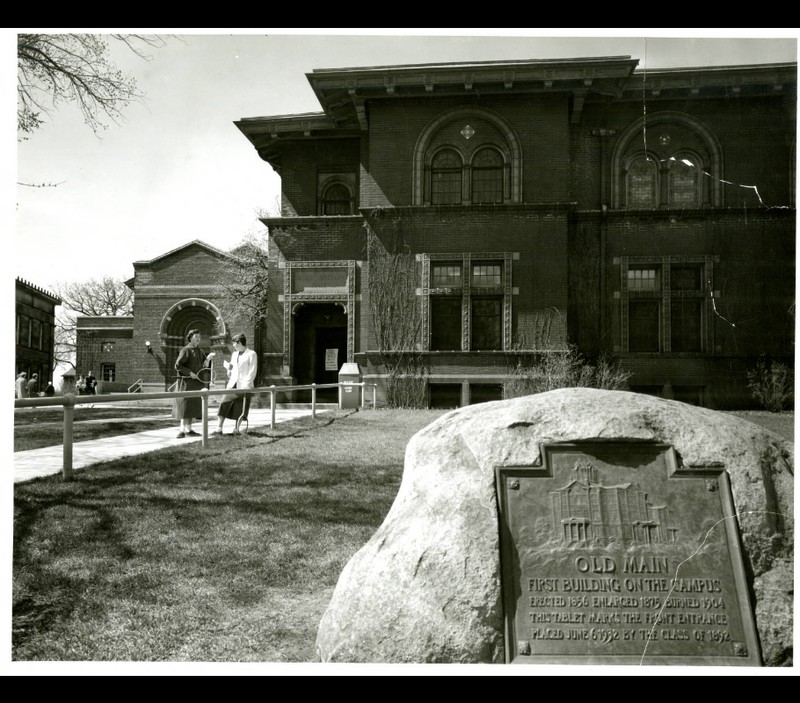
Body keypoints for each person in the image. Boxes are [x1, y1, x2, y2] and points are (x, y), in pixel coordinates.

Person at [214, 333, 258, 436]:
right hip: (232, 384)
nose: (233, 345)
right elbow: (233, 370)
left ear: (239, 342)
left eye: (234, 343)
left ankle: (236, 429)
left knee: (241, 407)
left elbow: (252, 371)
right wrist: (229, 371)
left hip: (244, 386)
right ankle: (219, 428)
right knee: (223, 403)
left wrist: (246, 386)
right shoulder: (234, 354)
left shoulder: (251, 354)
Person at [174, 329, 216, 438]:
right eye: (196, 336)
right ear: (190, 337)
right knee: (185, 406)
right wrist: (190, 372)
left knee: (191, 407)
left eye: (199, 337)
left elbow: (204, 366)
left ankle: (189, 430)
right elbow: (178, 365)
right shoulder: (185, 350)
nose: (198, 338)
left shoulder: (200, 351)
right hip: (187, 383)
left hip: (197, 383)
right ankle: (181, 430)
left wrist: (208, 358)